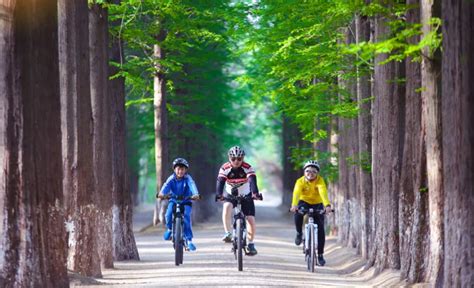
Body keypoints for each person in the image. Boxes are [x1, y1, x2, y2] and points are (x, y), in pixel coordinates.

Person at [216, 146, 261, 256]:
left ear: (243, 158)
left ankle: (250, 243)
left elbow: (252, 182)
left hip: (246, 194)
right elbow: (220, 182)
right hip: (230, 193)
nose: (236, 161)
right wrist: (219, 194)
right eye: (233, 159)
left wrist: (255, 194)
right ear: (229, 158)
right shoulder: (224, 168)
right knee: (227, 207)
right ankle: (228, 233)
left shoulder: (248, 168)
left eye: (239, 159)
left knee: (250, 219)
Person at [290, 160, 332, 266]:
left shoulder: (320, 181)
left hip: (317, 203)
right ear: (304, 172)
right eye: (308, 171)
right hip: (304, 202)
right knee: (298, 214)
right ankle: (299, 233)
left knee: (321, 229)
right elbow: (296, 193)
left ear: (317, 173)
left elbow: (323, 192)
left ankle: (320, 255)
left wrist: (327, 205)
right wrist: (294, 205)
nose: (310, 173)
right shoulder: (300, 181)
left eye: (314, 171)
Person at [157, 158, 200, 251]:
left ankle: (189, 240)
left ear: (186, 170)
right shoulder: (171, 178)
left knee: (187, 217)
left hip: (186, 201)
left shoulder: (188, 178)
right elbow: (165, 186)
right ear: (174, 169)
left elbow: (192, 185)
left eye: (183, 169)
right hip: (174, 200)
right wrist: (161, 194)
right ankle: (169, 229)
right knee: (168, 215)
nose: (180, 171)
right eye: (178, 169)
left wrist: (195, 194)